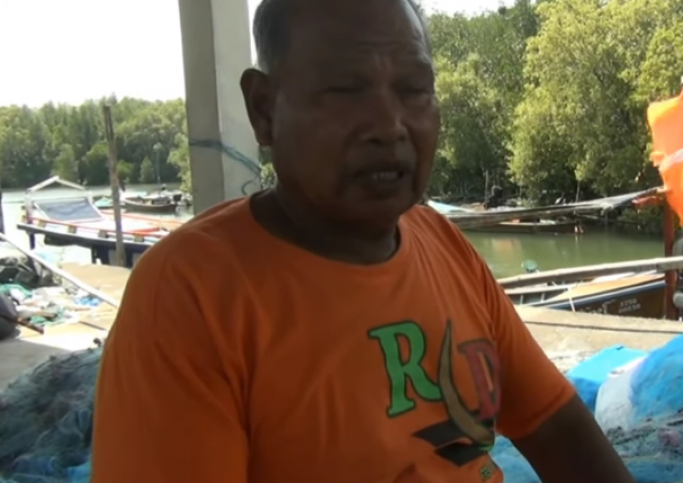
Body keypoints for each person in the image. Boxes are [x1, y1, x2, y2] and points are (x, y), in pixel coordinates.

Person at [90, 0, 635, 482]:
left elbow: (555, 424)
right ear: (264, 110)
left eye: (414, 90)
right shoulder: (190, 296)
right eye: (344, 90)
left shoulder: (442, 243)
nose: (389, 125)